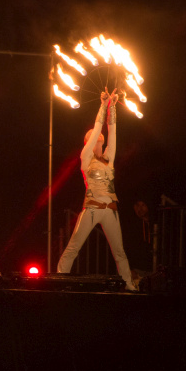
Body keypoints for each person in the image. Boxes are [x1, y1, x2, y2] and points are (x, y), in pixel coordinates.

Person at [56, 92, 137, 290]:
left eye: (97, 134)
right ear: (89, 142)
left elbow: (113, 131)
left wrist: (113, 107)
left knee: (120, 252)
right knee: (74, 247)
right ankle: (58, 280)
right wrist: (103, 105)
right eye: (92, 134)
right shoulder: (85, 159)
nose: (96, 133)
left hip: (111, 209)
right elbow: (99, 127)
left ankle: (128, 284)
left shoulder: (109, 157)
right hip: (91, 208)